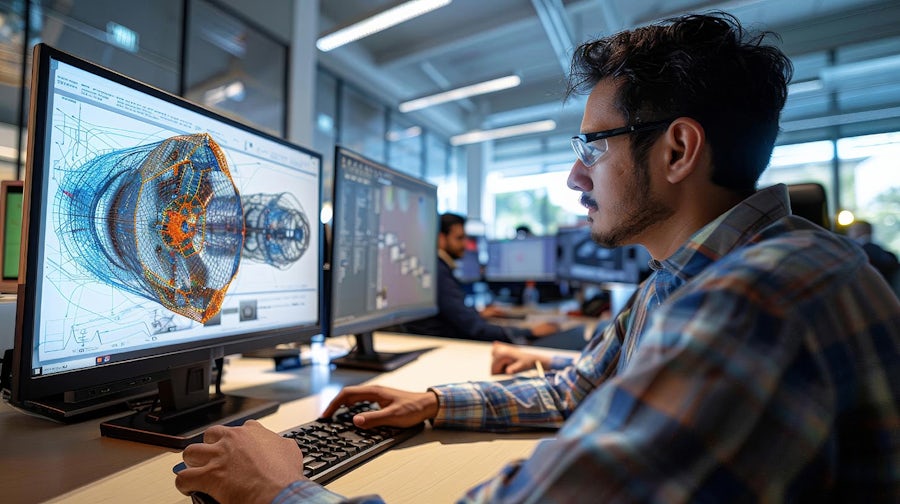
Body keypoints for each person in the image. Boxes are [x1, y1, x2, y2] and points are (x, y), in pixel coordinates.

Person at [175, 12, 900, 503]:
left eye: (594, 146)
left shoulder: (757, 302)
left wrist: (277, 490)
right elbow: (579, 390)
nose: (574, 177)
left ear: (677, 150)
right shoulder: (699, 275)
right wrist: (433, 403)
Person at [400, 212, 560, 343]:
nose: (465, 245)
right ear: (441, 239)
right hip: (445, 345)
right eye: (459, 238)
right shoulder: (438, 271)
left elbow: (453, 314)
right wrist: (530, 331)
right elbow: (475, 328)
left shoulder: (434, 266)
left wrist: (475, 313)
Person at [846, 219, 899, 286]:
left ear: (861, 230)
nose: (849, 233)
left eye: (852, 230)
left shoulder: (858, 251)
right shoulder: (884, 252)